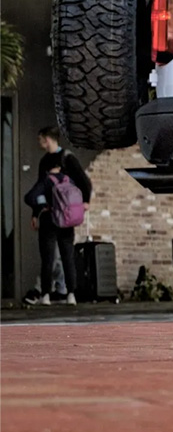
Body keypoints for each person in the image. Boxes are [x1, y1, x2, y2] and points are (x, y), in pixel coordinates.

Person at [23, 127, 91, 306]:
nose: (39, 143)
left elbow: (38, 190)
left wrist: (37, 211)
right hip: (63, 216)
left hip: (53, 215)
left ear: (48, 139)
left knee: (49, 257)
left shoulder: (66, 158)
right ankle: (69, 294)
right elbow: (84, 183)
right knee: (65, 256)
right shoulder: (50, 160)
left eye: (41, 139)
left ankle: (47, 294)